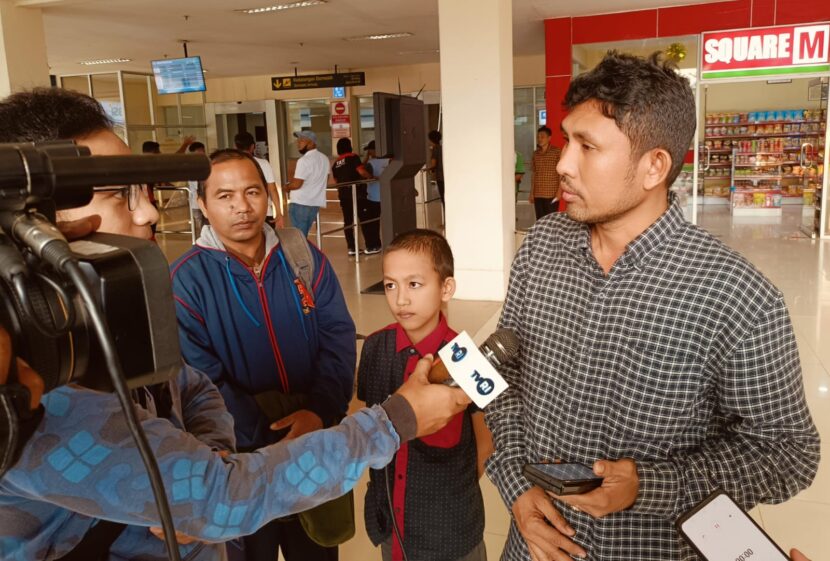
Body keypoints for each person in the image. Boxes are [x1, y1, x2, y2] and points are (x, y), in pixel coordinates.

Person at [0, 88, 472, 561]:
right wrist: (393, 422)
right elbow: (221, 497)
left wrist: (201, 461)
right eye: (116, 194)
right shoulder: (29, 392)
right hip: (258, 468)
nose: (146, 213)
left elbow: (194, 388)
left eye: (141, 191)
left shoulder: (297, 258)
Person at [485, 52, 820, 561]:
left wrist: (649, 483)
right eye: (566, 140)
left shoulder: (736, 295)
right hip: (530, 547)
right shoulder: (540, 249)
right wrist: (516, 486)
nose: (563, 164)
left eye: (587, 146)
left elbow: (788, 454)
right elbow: (499, 377)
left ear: (654, 166)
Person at [172, 148, 356, 560]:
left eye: (252, 191)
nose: (242, 206)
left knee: (316, 551)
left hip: (312, 445)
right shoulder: (186, 281)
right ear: (201, 204)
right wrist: (269, 440)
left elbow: (339, 337)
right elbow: (199, 376)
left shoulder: (303, 257)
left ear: (268, 196)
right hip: (240, 466)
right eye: (225, 196)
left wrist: (321, 412)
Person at [358, 229, 492, 561]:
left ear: (446, 288)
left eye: (414, 285)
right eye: (391, 285)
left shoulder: (468, 358)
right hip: (390, 522)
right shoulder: (375, 347)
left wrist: (451, 492)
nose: (401, 299)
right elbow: (365, 416)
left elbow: (486, 440)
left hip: (450, 528)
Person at [332, 138, 381, 256]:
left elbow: (336, 181)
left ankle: (352, 248)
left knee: (348, 222)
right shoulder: (353, 157)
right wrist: (371, 177)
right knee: (365, 219)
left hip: (343, 196)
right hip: (358, 194)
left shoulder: (335, 163)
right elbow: (361, 171)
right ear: (349, 146)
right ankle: (372, 245)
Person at [283, 130, 329, 238]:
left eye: (302, 140)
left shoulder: (303, 160)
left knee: (298, 238)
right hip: (314, 204)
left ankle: (301, 255)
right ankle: (305, 254)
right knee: (303, 236)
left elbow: (296, 184)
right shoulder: (324, 158)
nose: (298, 143)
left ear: (312, 143)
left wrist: (286, 187)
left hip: (300, 204)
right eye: (298, 140)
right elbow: (326, 179)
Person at [234, 131, 283, 228]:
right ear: (252, 147)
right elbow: (272, 189)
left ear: (235, 147)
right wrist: (278, 212)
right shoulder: (263, 163)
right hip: (263, 211)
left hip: (239, 212)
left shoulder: (231, 165)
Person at [528, 125, 561, 220]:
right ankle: (541, 235)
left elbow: (561, 174)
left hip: (552, 193)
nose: (539, 139)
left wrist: (559, 192)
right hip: (538, 194)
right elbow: (534, 174)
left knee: (552, 220)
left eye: (542, 136)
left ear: (549, 138)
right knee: (540, 220)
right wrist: (531, 193)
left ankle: (552, 235)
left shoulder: (557, 152)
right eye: (538, 137)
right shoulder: (535, 154)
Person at [364, 140, 387, 249]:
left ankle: (375, 245)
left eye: (370, 150)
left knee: (373, 223)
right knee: (388, 221)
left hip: (373, 198)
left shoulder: (371, 163)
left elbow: (364, 175)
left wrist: (366, 158)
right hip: (387, 197)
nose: (369, 152)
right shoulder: (390, 161)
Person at [187, 142, 209, 237]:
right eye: (198, 153)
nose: (202, 154)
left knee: (208, 226)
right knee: (201, 228)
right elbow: (197, 186)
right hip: (196, 204)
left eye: (202, 152)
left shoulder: (207, 164)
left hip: (207, 202)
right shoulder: (191, 167)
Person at [426, 130, 444, 206]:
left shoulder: (435, 149)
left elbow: (434, 164)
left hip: (440, 176)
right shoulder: (442, 148)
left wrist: (428, 169)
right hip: (445, 175)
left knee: (442, 196)